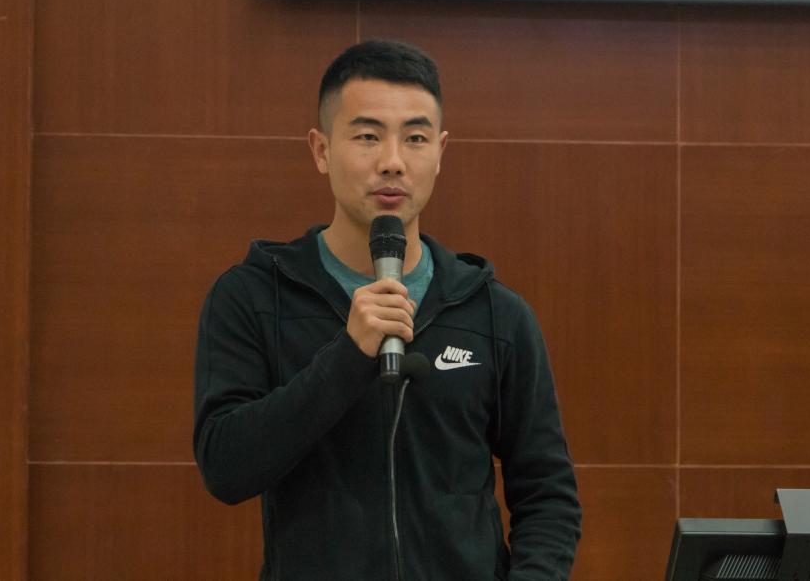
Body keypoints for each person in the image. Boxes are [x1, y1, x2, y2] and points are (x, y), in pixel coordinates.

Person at [193, 40, 581, 580]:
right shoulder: (255, 298)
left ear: (440, 152)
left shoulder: (494, 313)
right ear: (321, 150)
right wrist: (348, 355)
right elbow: (226, 468)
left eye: (415, 138)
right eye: (368, 136)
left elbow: (548, 495)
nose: (393, 161)